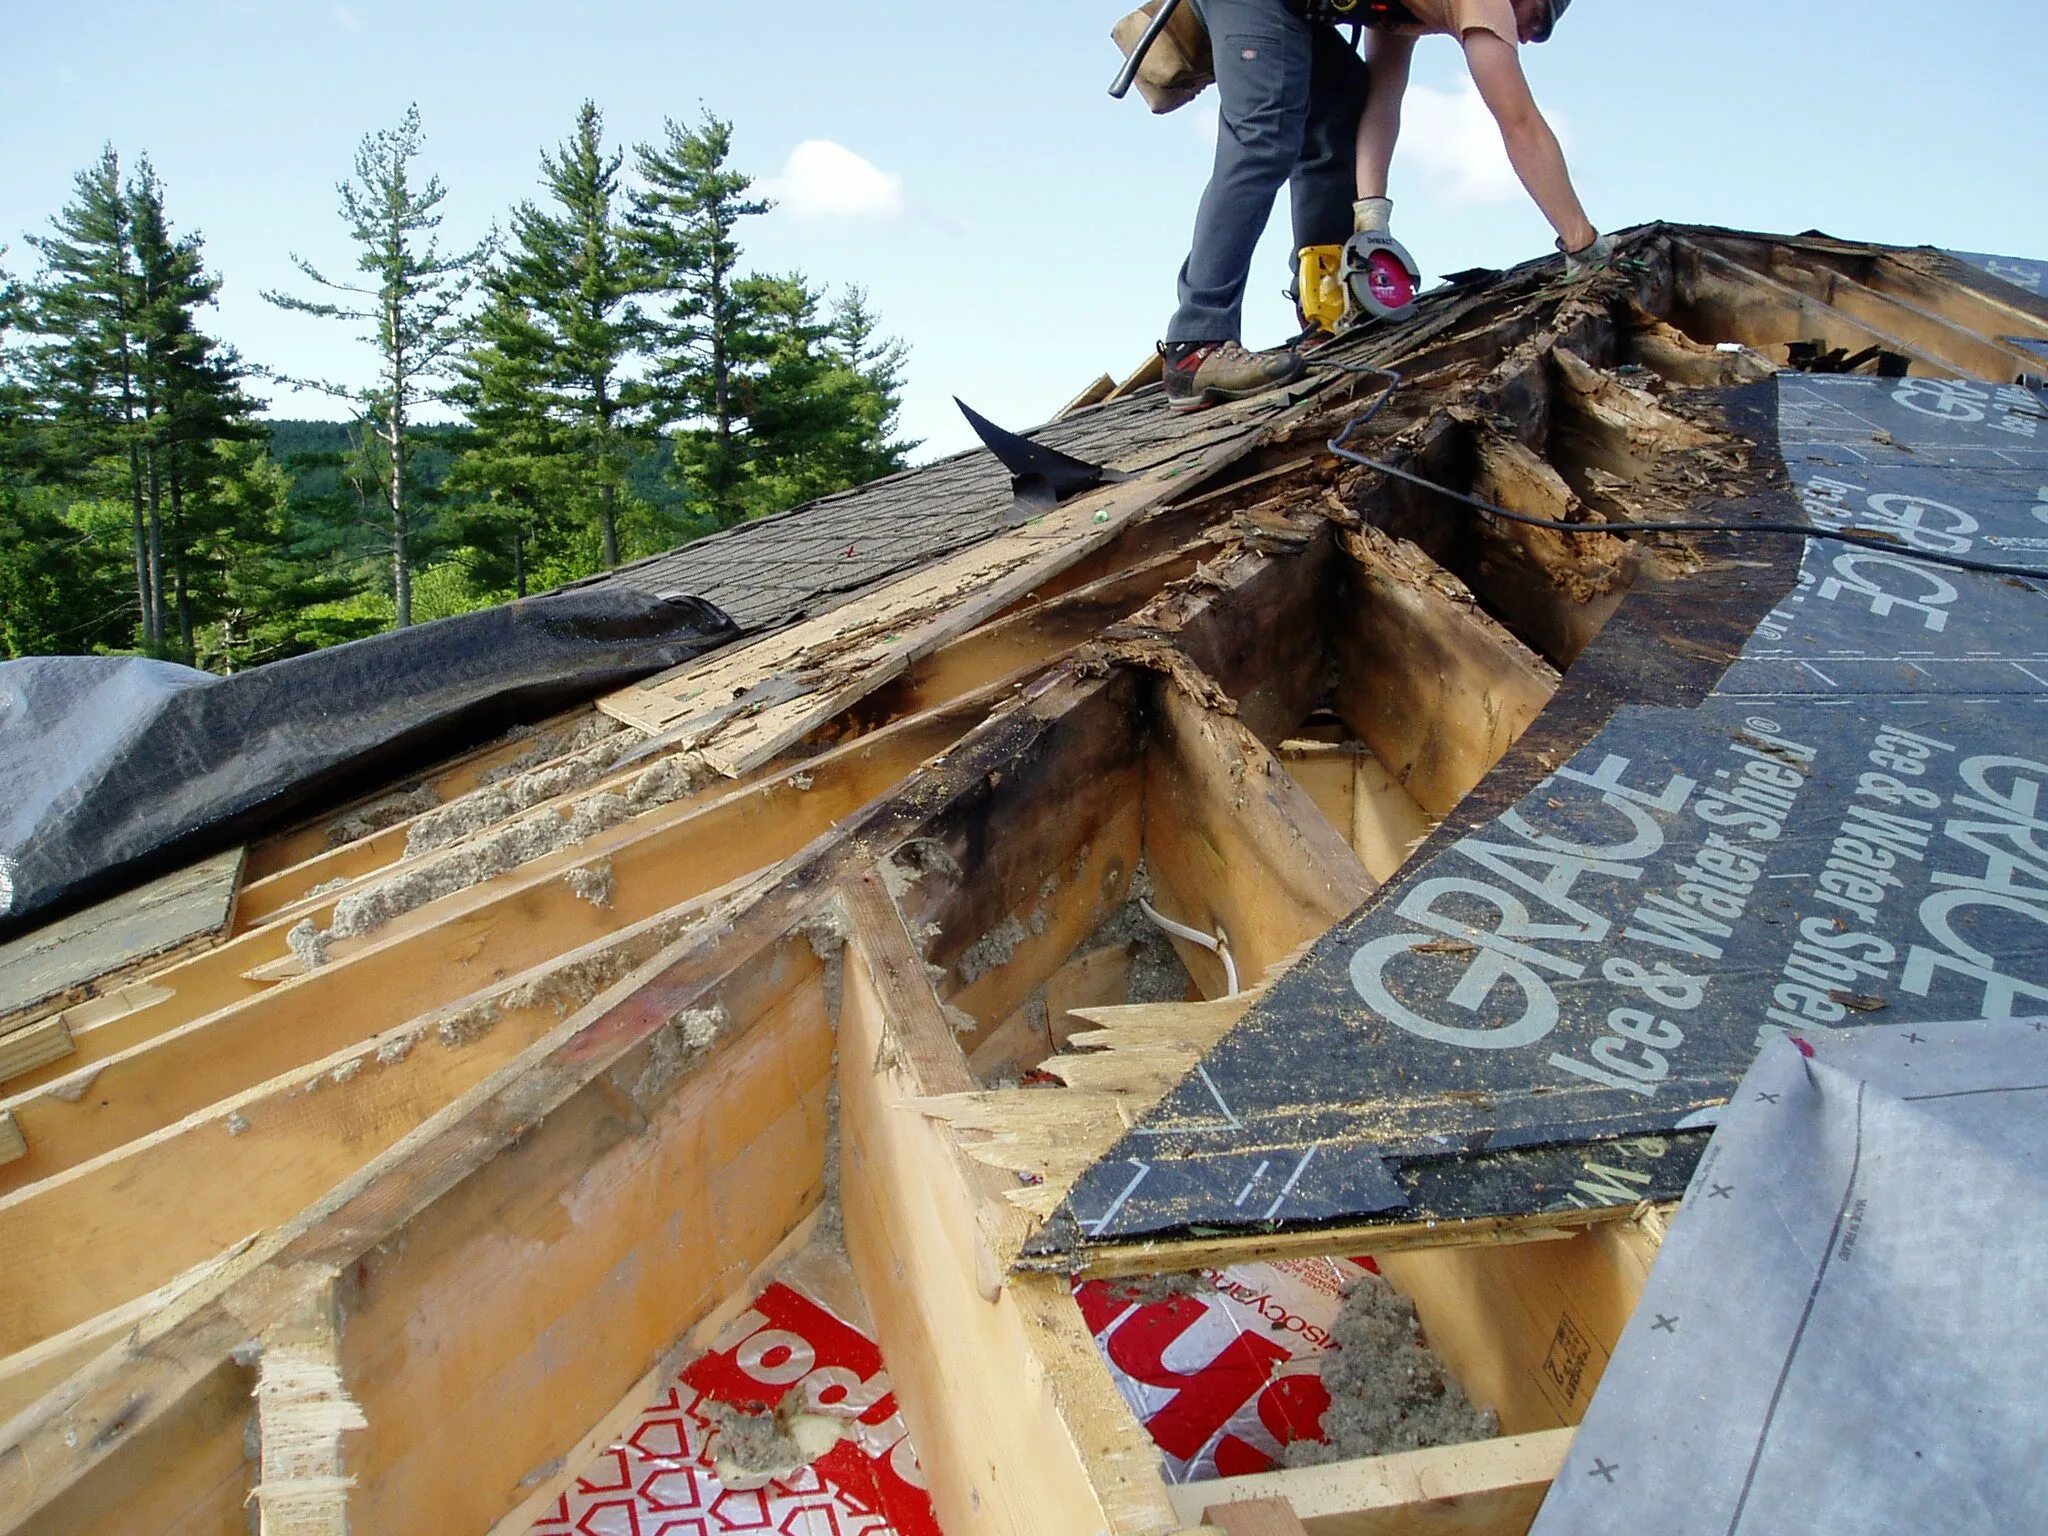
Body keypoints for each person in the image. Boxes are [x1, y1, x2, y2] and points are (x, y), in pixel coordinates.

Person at [1161, 0, 1610, 413]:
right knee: (1265, 132)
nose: (1531, 36)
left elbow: (1381, 102)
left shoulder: (1411, 10)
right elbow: (1520, 125)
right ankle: (1197, 342)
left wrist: (1371, 216)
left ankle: (1327, 306)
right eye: (1543, 20)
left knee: (1342, 100)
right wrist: (1581, 243)